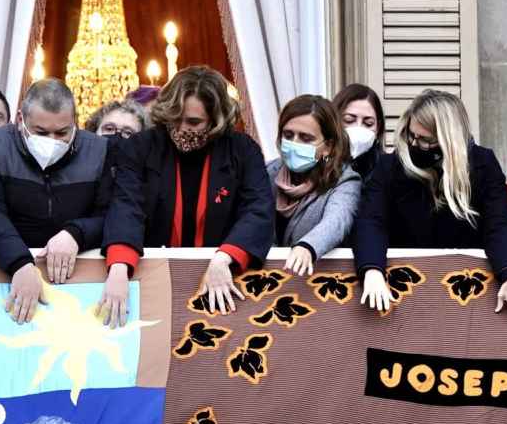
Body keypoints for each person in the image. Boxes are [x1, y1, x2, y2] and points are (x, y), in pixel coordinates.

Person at [98, 66, 274, 327]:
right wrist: (120, 267)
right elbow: (126, 205)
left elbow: (258, 209)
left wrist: (224, 259)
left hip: (221, 278)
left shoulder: (243, 150)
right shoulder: (142, 146)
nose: (181, 129)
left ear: (216, 121)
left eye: (193, 123)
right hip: (152, 277)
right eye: (175, 118)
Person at [354, 89, 507, 328]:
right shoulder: (390, 167)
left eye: (426, 140)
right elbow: (371, 221)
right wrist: (372, 269)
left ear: (449, 140)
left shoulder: (483, 165)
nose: (415, 145)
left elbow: (499, 225)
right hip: (404, 293)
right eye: (412, 136)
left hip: (466, 297)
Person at [0, 79, 115, 324]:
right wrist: (19, 263)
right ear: (19, 120)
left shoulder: (99, 150)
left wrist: (76, 233)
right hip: (8, 272)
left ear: (75, 122)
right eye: (41, 132)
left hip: (79, 283)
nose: (52, 140)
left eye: (62, 132)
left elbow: (111, 212)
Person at [265, 94, 361, 276]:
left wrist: (307, 246)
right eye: (288, 135)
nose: (294, 143)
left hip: (314, 283)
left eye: (306, 138)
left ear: (328, 146)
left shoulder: (344, 180)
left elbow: (337, 221)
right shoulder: (268, 172)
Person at [333, 83, 386, 181]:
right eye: (349, 120)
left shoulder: (387, 170)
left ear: (378, 128)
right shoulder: (321, 166)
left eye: (368, 123)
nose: (359, 128)